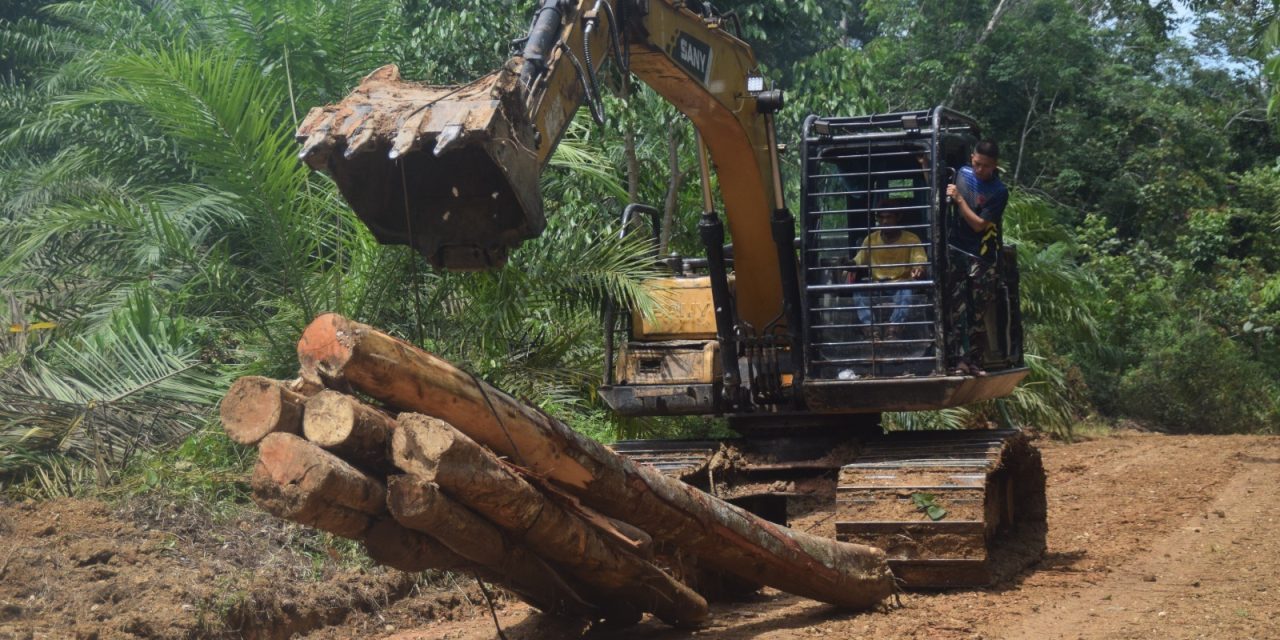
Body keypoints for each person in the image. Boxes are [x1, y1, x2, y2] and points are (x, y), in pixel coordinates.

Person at [945, 139, 1008, 375]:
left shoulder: (998, 192)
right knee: (956, 308)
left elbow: (979, 225)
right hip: (956, 250)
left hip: (981, 256)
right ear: (972, 158)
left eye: (987, 166)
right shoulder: (961, 174)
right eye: (978, 164)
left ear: (995, 166)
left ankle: (975, 360)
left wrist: (960, 200)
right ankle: (958, 360)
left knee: (977, 311)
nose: (981, 170)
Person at [850, 198, 927, 340]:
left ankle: (894, 329)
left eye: (889, 217)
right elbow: (858, 260)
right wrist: (849, 266)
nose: (885, 221)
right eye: (882, 218)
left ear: (898, 218)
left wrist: (919, 268)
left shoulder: (911, 239)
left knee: (907, 290)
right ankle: (871, 330)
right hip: (876, 286)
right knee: (858, 290)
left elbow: (919, 258)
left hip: (899, 285)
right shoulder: (870, 240)